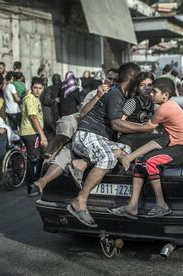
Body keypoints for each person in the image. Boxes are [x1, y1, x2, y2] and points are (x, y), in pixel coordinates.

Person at [67, 62, 158, 227]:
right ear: (131, 78)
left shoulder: (123, 96)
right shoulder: (115, 93)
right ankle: (80, 201)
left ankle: (81, 163)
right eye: (139, 81)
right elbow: (116, 124)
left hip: (99, 139)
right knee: (107, 158)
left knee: (125, 150)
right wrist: (144, 128)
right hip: (87, 135)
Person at [109, 77, 183, 219]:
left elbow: (148, 128)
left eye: (155, 91)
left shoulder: (165, 108)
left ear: (165, 95)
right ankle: (132, 207)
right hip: (173, 146)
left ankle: (162, 205)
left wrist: (124, 129)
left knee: (149, 162)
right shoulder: (169, 105)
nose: (151, 93)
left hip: (181, 149)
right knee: (141, 162)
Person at [20, 77, 47, 196]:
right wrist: (42, 135)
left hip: (34, 132)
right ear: (31, 88)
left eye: (40, 88)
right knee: (33, 161)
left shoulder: (35, 98)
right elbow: (33, 117)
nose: (37, 90)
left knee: (40, 158)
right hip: (30, 133)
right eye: (35, 88)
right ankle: (31, 187)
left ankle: (37, 183)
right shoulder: (30, 98)